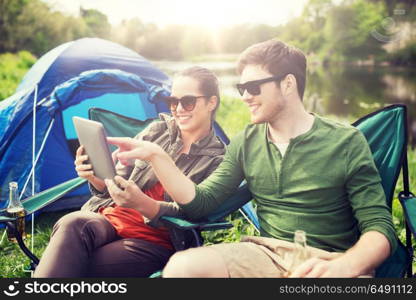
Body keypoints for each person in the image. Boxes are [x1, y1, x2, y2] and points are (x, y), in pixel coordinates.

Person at [107, 40, 397, 278]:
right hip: (266, 253)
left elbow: (379, 227)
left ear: (287, 84)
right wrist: (158, 156)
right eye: (242, 89)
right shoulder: (247, 141)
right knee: (183, 267)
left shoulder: (345, 141)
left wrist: (345, 266)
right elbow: (201, 203)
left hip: (331, 260)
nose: (245, 97)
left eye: (254, 87)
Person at [33, 66, 226, 277]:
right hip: (110, 218)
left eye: (187, 101)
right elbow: (117, 180)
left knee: (80, 262)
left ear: (211, 102)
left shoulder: (217, 160)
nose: (178, 109)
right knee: (71, 223)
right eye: (173, 102)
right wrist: (96, 178)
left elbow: (195, 214)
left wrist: (142, 204)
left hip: (153, 239)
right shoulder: (157, 130)